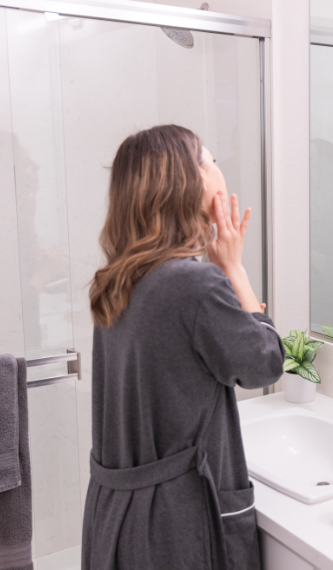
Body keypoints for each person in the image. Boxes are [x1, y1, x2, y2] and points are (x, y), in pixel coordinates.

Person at [82, 125, 285, 570]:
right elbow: (265, 364)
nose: (218, 169)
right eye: (209, 160)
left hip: (118, 515)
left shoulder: (118, 279)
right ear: (183, 182)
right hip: (175, 525)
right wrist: (234, 269)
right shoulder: (192, 283)